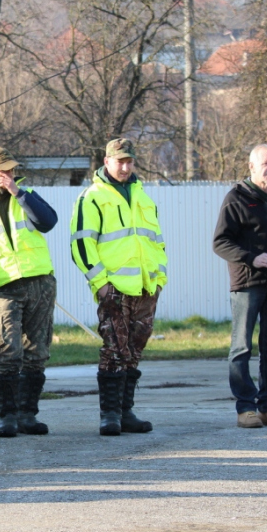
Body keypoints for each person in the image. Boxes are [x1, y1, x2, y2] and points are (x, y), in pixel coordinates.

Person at [70, 138, 167, 436]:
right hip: (113, 287)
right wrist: (100, 283)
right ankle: (109, 414)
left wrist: (159, 278)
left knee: (135, 348)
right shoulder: (92, 197)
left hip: (146, 286)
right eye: (119, 161)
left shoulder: (142, 196)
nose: (124, 167)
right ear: (107, 161)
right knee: (114, 347)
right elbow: (81, 244)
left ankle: (126, 411)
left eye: (129, 161)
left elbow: (156, 242)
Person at [0, 146, 58, 438]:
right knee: (8, 351)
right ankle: (6, 416)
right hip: (3, 285)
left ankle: (27, 415)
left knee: (37, 352)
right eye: (3, 170)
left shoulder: (25, 193)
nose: (9, 175)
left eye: (11, 169)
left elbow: (48, 222)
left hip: (39, 281)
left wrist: (18, 192)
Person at [213, 144, 267, 428]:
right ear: (251, 166)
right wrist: (253, 258)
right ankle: (245, 409)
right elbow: (221, 242)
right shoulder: (236, 198)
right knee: (241, 348)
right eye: (266, 163)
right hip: (248, 285)